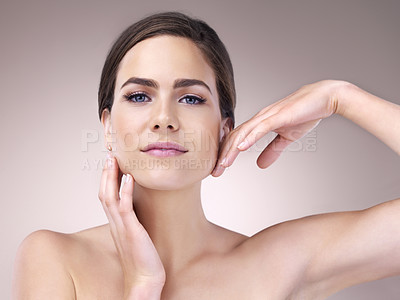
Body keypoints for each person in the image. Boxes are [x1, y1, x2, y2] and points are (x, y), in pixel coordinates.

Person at [12, 11, 400, 300]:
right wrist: (143, 287)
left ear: (224, 129)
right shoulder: (54, 258)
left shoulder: (276, 261)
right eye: (139, 96)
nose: (164, 118)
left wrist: (342, 97)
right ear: (108, 128)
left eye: (192, 98)